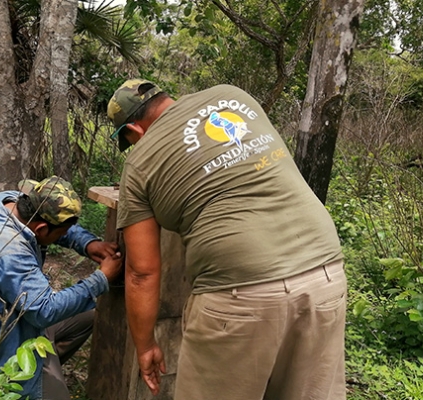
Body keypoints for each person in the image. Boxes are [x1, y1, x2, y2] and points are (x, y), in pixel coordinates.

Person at [107, 79, 346, 400]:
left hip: (239, 294)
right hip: (325, 271)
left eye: (129, 140)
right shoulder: (232, 96)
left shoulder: (138, 165)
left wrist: (146, 344)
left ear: (134, 130)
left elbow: (142, 272)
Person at [0, 176, 123, 400]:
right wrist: (101, 279)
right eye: (58, 234)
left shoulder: (7, 203)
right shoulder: (7, 250)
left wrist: (87, 243)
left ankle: (44, 363)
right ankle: (20, 380)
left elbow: (56, 226)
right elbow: (45, 310)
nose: (61, 236)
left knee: (88, 316)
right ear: (41, 229)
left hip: (18, 320)